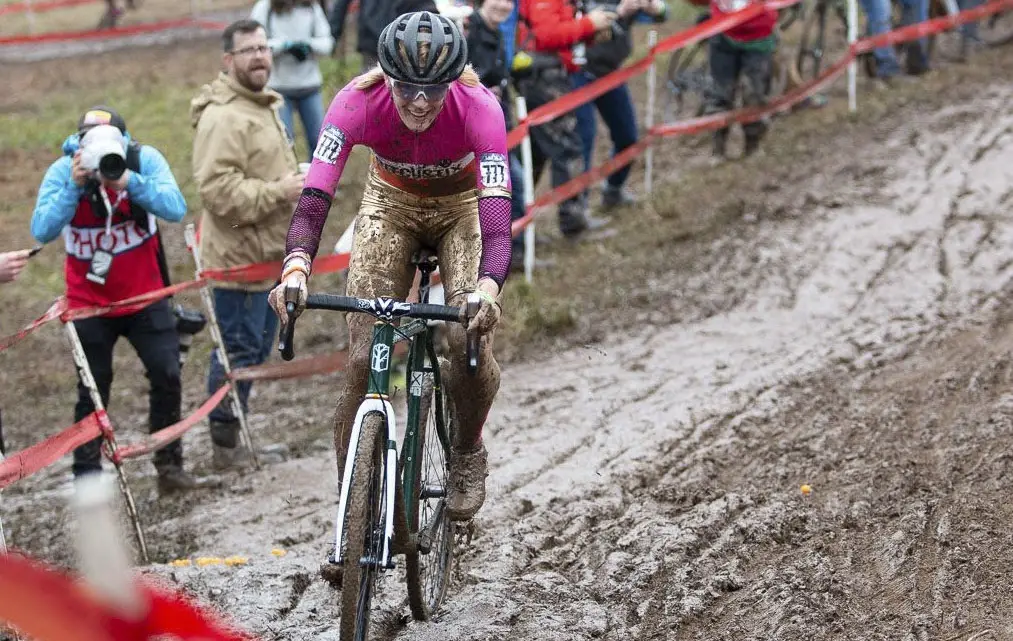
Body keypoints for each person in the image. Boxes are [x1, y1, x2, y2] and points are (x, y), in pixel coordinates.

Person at [269, 11, 509, 523]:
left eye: (434, 90)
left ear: (453, 82)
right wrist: (295, 268)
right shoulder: (354, 101)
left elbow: (495, 214)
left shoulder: (481, 108)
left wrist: (487, 287)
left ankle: (467, 451)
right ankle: (350, 516)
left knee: (467, 340)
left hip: (462, 209)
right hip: (389, 206)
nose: (420, 104)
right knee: (361, 359)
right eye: (407, 90)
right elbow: (315, 195)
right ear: (386, 78)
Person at [29, 106, 197, 492]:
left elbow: (175, 207)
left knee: (167, 374)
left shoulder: (142, 160)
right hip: (89, 302)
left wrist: (129, 181)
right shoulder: (63, 171)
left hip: (146, 296)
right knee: (92, 387)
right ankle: (87, 475)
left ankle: (169, 467)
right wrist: (74, 186)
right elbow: (42, 229)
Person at [191, 19, 305, 469]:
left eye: (263, 47)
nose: (260, 56)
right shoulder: (224, 116)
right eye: (248, 50)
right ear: (228, 60)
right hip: (238, 263)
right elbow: (217, 192)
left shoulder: (261, 105)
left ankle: (236, 437)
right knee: (236, 353)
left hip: (266, 255)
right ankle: (225, 449)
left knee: (253, 352)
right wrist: (281, 190)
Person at [516, 0, 616, 238]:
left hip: (551, 72)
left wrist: (589, 32)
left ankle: (517, 228)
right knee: (567, 147)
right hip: (543, 76)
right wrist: (588, 25)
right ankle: (572, 222)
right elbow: (546, 34)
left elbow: (556, 30)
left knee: (535, 153)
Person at [573, 0, 667, 209]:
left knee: (628, 136)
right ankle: (578, 211)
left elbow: (662, 14)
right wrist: (619, 11)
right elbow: (582, 17)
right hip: (578, 72)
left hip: (611, 72)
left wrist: (653, 6)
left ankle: (613, 190)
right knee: (583, 141)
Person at [465, 0, 528, 270]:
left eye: (507, 1)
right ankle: (503, 256)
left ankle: (509, 253)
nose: (503, 6)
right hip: (477, 132)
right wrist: (482, 91)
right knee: (512, 184)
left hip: (501, 123)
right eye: (496, 0)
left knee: (514, 185)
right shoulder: (468, 32)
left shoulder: (498, 31)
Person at [250, 0, 334, 156]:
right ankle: (287, 179)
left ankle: (315, 179)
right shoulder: (265, 8)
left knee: (319, 142)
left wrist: (308, 46)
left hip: (309, 86)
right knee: (283, 143)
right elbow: (254, 44)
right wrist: (284, 46)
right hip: (279, 89)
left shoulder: (311, 8)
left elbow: (327, 43)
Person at [703, 0, 777, 160]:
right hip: (722, 31)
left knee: (754, 93)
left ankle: (753, 145)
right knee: (720, 93)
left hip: (759, 34)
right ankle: (718, 149)